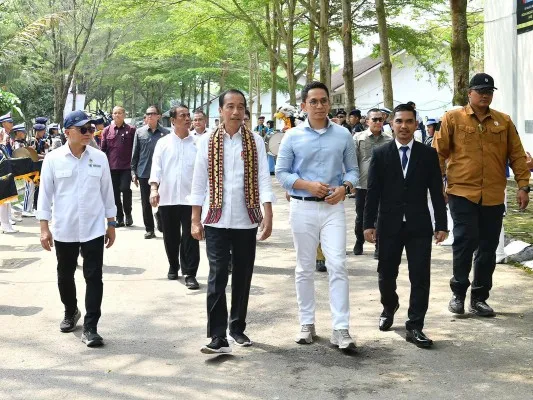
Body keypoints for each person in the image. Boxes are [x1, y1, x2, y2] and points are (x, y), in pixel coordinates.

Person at [433, 73, 531, 317]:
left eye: (489, 91)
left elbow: (517, 155)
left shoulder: (503, 121)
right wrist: (438, 186)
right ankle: (458, 294)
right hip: (462, 193)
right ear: (470, 93)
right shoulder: (452, 118)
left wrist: (523, 186)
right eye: (480, 91)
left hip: (493, 195)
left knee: (487, 248)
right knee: (466, 242)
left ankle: (479, 298)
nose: (485, 95)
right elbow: (438, 153)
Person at [190, 89, 274, 354]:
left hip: (246, 219)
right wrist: (195, 219)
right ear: (221, 110)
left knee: (242, 275)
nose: (235, 112)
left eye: (240, 107)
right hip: (215, 218)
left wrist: (268, 213)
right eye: (230, 106)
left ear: (245, 110)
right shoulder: (207, 141)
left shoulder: (255, 140)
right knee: (216, 276)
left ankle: (237, 327)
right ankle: (217, 335)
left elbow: (263, 179)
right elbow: (199, 181)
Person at [276, 81, 358, 350]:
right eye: (314, 101)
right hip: (303, 207)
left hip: (333, 209)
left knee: (338, 265)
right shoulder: (291, 136)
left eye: (324, 101)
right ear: (303, 106)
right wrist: (306, 184)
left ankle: (341, 328)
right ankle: (307, 322)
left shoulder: (343, 135)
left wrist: (344, 188)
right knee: (304, 268)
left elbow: (353, 171)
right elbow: (282, 173)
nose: (320, 106)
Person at [363, 103, 447, 348]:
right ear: (392, 124)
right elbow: (373, 192)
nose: (404, 126)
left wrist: (441, 224)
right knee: (386, 275)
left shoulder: (428, 155)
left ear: (415, 124)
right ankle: (389, 307)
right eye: (399, 121)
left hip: (419, 226)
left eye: (409, 121)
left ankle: (415, 325)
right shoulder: (381, 154)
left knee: (420, 276)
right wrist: (369, 224)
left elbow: (436, 191)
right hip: (388, 225)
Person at [37, 110, 117, 347]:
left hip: (93, 228)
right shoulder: (53, 159)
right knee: (65, 274)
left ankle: (91, 327)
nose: (88, 133)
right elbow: (45, 195)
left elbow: (107, 193)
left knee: (94, 276)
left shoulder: (99, 157)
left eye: (91, 129)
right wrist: (44, 227)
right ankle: (71, 311)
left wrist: (111, 223)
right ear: (67, 131)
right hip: (65, 228)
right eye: (83, 129)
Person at [149, 104, 200, 289]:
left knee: (190, 237)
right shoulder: (163, 143)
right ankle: (173, 264)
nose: (187, 119)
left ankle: (190, 273)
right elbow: (156, 168)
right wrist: (154, 189)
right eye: (182, 115)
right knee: (170, 237)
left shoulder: (197, 143)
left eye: (188, 115)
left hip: (191, 199)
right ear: (172, 120)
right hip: (168, 197)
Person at [353, 108, 393, 258]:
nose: (377, 122)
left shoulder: (389, 140)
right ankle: (359, 241)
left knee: (380, 216)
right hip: (362, 184)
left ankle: (379, 246)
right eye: (374, 119)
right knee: (361, 216)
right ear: (367, 121)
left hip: (382, 186)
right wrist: (351, 183)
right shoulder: (358, 138)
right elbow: (353, 161)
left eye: (380, 119)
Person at [131, 105, 169, 239]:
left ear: (159, 116)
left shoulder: (166, 133)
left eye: (152, 113)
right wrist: (133, 172)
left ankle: (161, 220)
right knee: (146, 203)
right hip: (144, 172)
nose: (149, 116)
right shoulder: (139, 132)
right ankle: (149, 229)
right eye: (147, 113)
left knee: (163, 201)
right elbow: (135, 153)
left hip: (162, 174)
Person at [101, 106, 136, 228]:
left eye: (120, 113)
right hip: (111, 167)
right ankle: (119, 217)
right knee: (114, 193)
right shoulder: (106, 131)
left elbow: (135, 150)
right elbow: (103, 150)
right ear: (112, 115)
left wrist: (134, 168)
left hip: (126, 167)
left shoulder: (131, 130)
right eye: (115, 113)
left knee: (125, 189)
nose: (117, 115)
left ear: (124, 115)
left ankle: (128, 214)